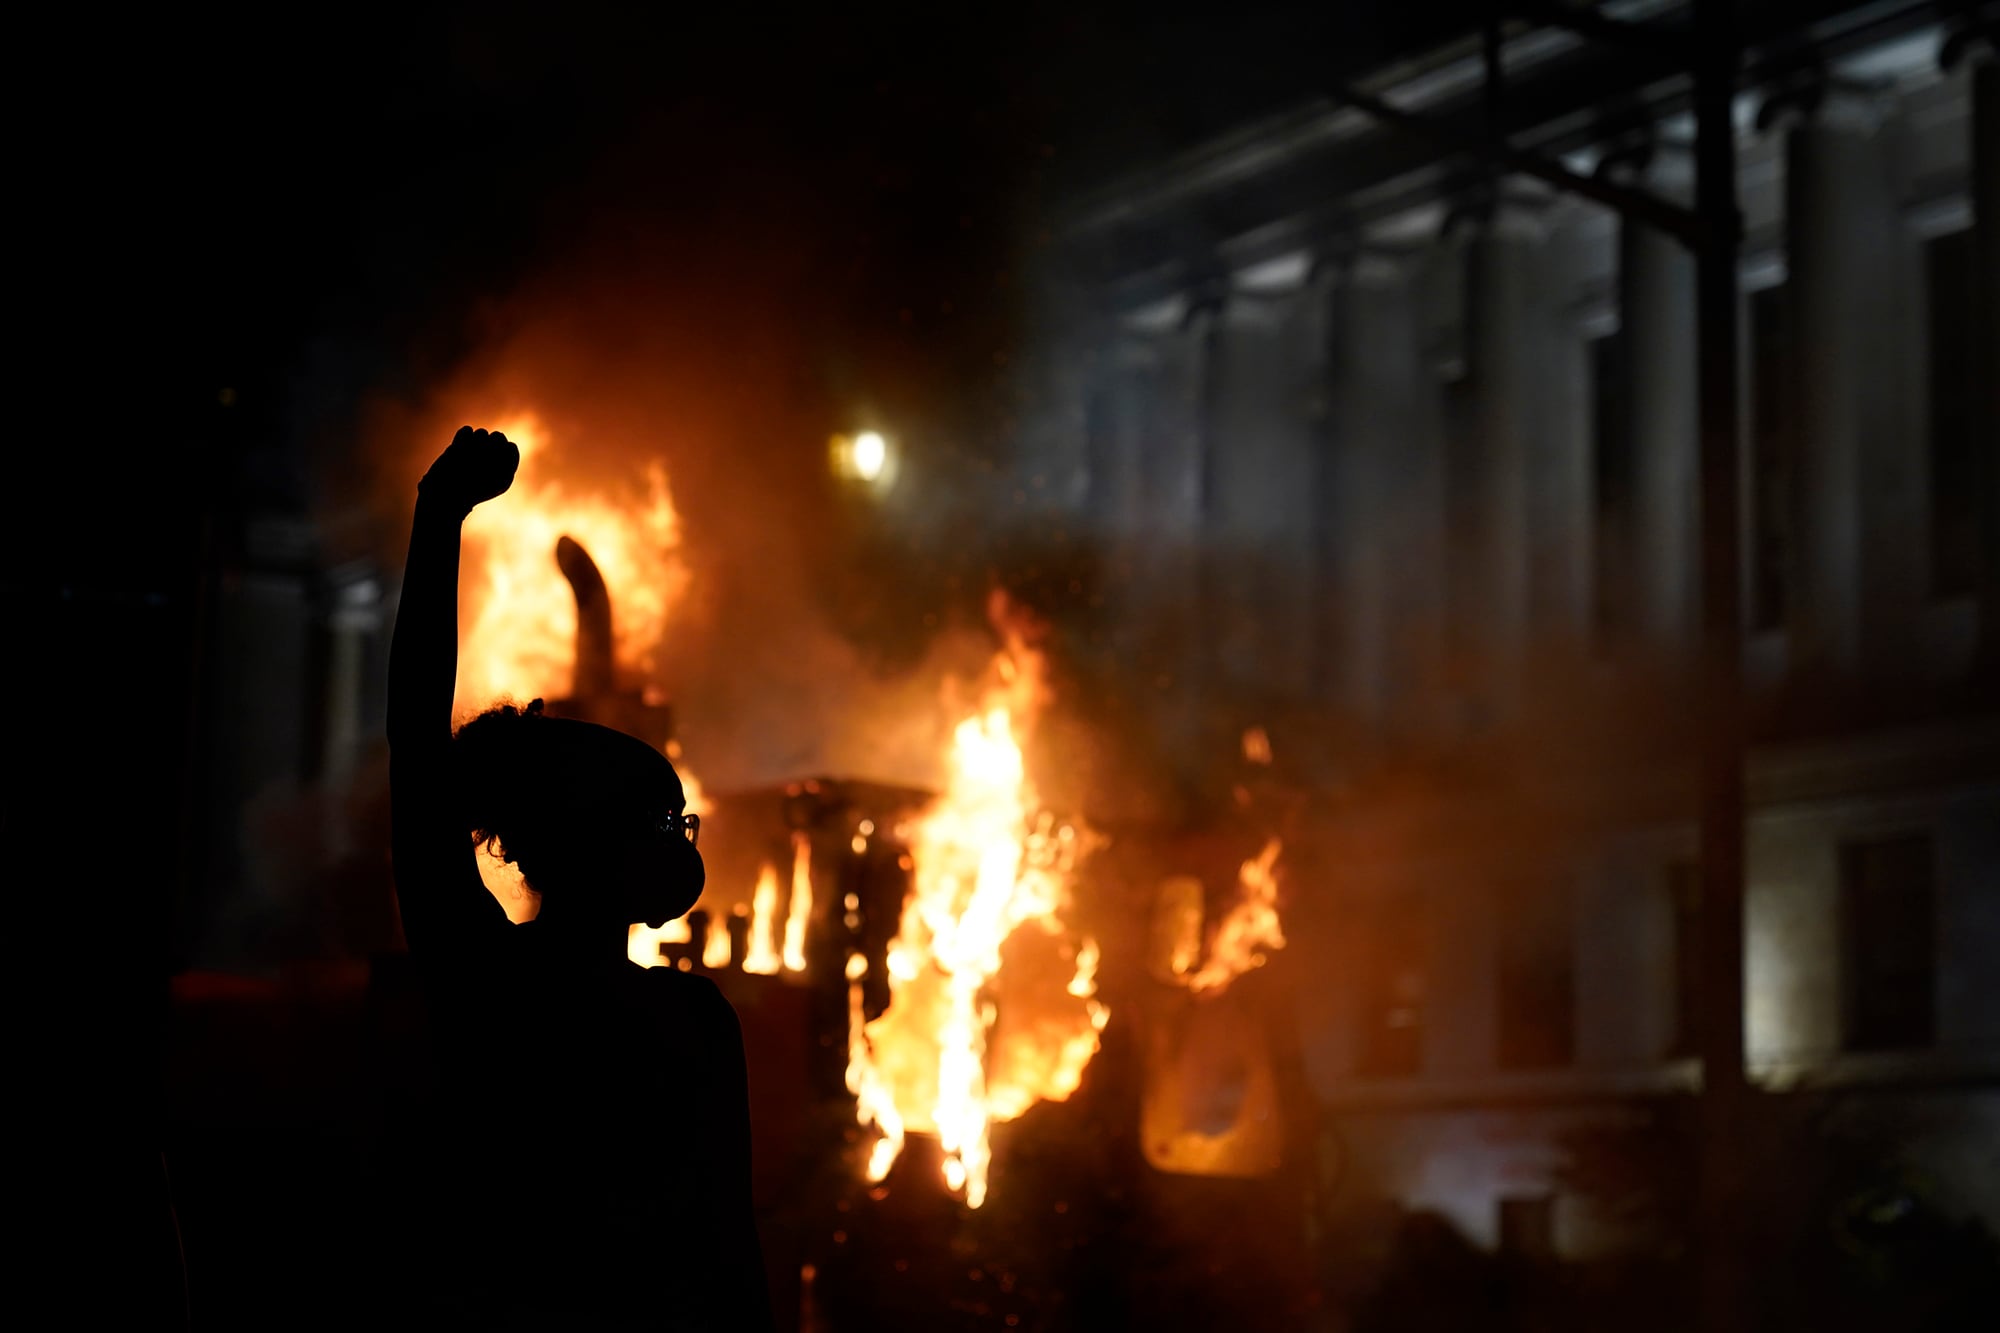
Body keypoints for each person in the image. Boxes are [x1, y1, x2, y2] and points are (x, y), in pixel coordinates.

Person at [388, 426, 773, 1331]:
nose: (680, 837)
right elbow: (414, 742)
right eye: (661, 819)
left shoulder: (683, 1016)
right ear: (581, 841)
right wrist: (437, 519)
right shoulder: (496, 981)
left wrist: (439, 516)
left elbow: (731, 1244)